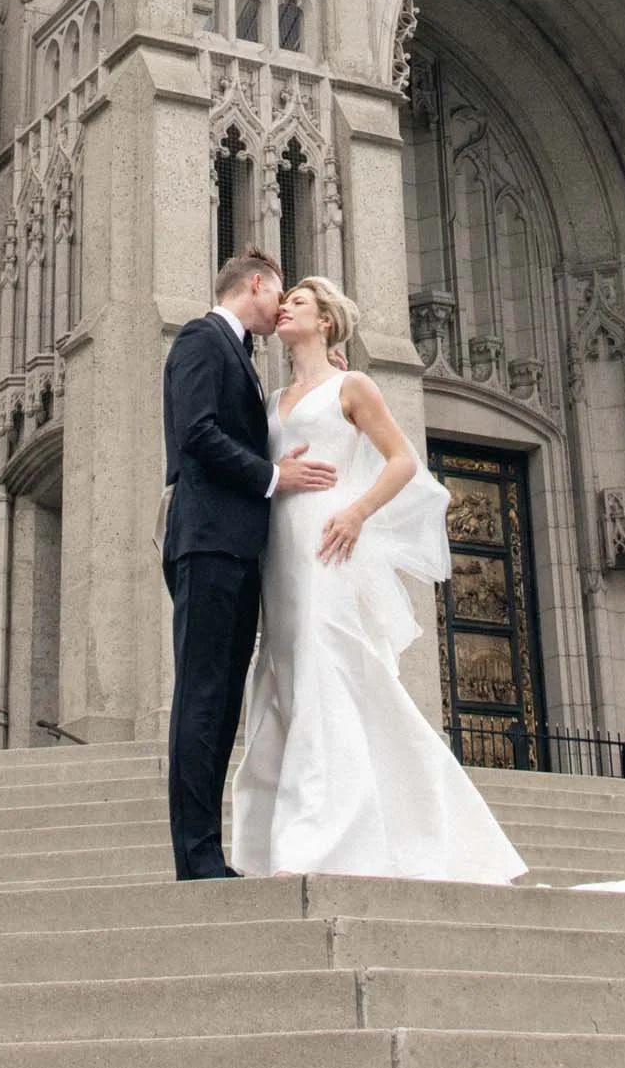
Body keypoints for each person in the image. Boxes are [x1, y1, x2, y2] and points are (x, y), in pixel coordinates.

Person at [232, 274, 526, 882]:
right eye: (284, 302)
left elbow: (403, 461)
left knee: (323, 671)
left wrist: (358, 511)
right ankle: (272, 840)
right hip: (278, 553)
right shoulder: (272, 398)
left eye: (299, 303)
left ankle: (312, 844)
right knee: (284, 674)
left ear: (327, 323)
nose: (285, 308)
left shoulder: (354, 385)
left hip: (330, 543)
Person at [160, 247, 337, 880]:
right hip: (207, 542)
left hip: (236, 550)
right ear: (255, 285)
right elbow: (197, 436)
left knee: (221, 699)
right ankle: (196, 857)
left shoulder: (240, 356)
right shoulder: (201, 340)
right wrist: (273, 476)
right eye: (280, 294)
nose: (283, 306)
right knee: (203, 697)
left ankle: (207, 852)